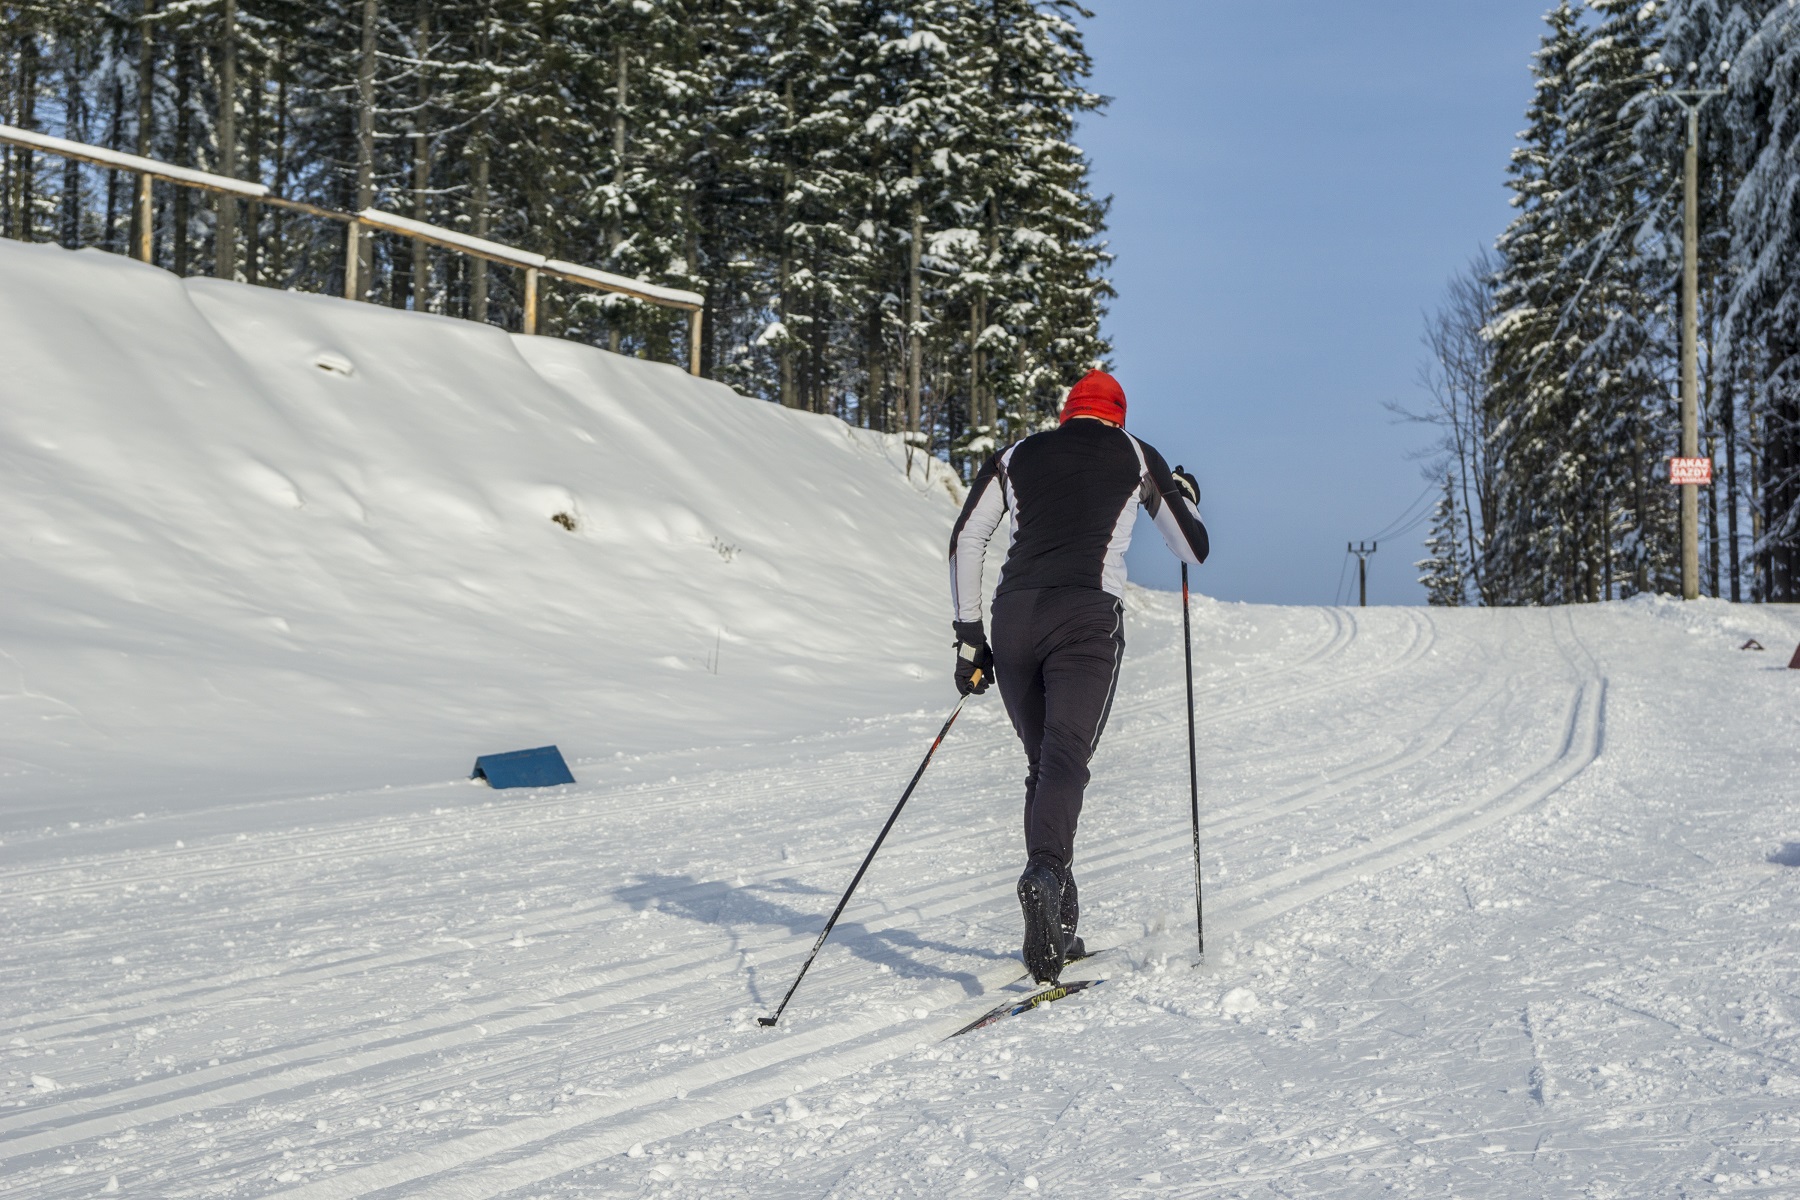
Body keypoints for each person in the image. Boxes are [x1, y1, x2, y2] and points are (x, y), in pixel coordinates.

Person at [947, 370, 1208, 983]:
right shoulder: (1135, 453)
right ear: (1116, 415)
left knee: (1043, 763)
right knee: (1065, 756)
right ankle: (1044, 873)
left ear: (1067, 413)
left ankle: (1060, 916)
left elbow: (966, 540)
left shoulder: (1016, 455)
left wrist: (969, 640)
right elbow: (1191, 548)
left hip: (1014, 619)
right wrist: (1185, 493)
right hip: (1085, 617)